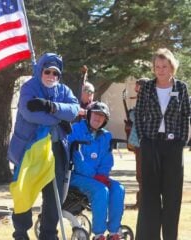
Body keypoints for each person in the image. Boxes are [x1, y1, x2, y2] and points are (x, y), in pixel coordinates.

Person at [7, 52, 80, 240]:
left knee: (53, 196)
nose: (51, 76)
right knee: (24, 191)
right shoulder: (28, 87)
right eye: (47, 71)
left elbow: (73, 110)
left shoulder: (64, 90)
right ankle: (21, 233)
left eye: (56, 73)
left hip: (56, 151)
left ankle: (48, 234)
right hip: (29, 150)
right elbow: (29, 113)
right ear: (40, 70)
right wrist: (58, 120)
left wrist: (50, 106)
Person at [135, 48, 190, 240]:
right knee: (149, 195)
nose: (160, 70)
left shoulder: (181, 88)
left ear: (172, 67)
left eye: (164, 66)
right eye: (157, 66)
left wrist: (182, 140)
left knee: (172, 196)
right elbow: (139, 115)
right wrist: (143, 139)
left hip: (173, 146)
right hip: (150, 144)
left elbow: (186, 116)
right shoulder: (147, 88)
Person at [68, 101, 125, 240]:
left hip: (97, 177)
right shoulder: (75, 130)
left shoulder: (106, 136)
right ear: (88, 114)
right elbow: (77, 160)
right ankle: (99, 234)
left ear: (105, 120)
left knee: (118, 188)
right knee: (101, 190)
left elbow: (107, 160)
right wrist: (95, 176)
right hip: (76, 176)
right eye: (96, 114)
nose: (98, 118)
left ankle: (114, 232)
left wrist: (102, 175)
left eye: (102, 116)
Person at [125, 78, 147, 209]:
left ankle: (142, 202)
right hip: (139, 144)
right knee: (140, 174)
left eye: (138, 89)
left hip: (143, 143)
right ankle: (141, 202)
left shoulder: (147, 101)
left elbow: (137, 116)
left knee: (142, 174)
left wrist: (131, 114)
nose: (136, 92)